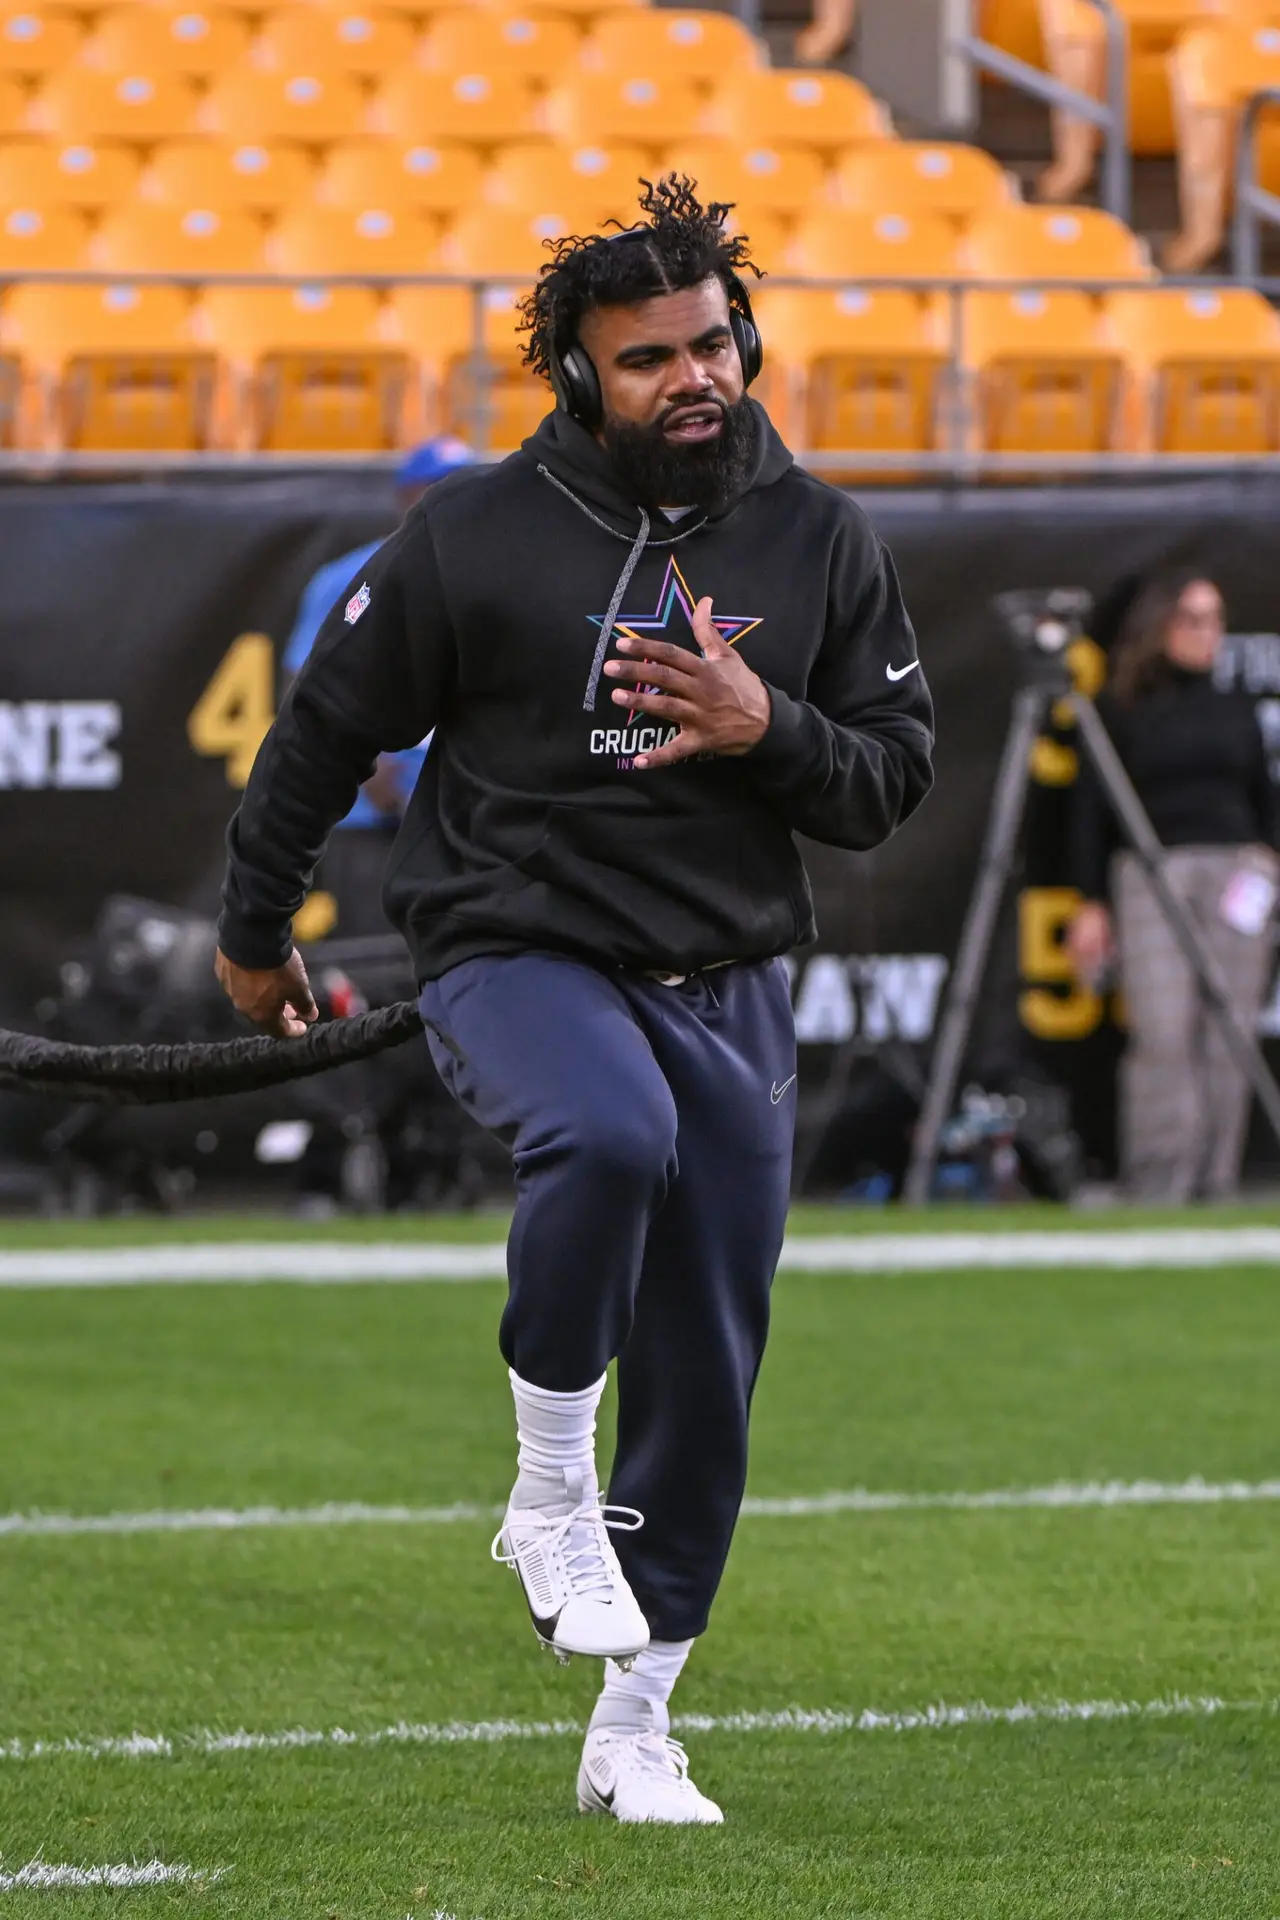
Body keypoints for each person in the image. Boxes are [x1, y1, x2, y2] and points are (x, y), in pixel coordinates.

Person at [213, 177, 935, 1824]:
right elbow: (323, 733)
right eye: (649, 359)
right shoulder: (473, 532)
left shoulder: (823, 538)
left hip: (731, 981)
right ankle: (548, 1486)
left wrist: (770, 728)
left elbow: (888, 782)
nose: (694, 378)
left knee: (709, 1372)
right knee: (606, 1137)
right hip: (519, 948)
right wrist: (255, 939)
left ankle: (637, 1727)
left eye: (712, 343)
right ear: (579, 378)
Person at [1068, 566, 1279, 1202]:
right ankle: (1159, 1183)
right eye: (1192, 618)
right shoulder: (1121, 706)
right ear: (1159, 626)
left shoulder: (1235, 704)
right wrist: (1091, 903)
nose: (1207, 633)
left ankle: (1214, 1184)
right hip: (1152, 869)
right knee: (1163, 1030)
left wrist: (1269, 864)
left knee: (1229, 1031)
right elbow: (1090, 811)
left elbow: (1262, 797)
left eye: (1215, 618)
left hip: (1238, 873)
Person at [282, 436, 475, 938]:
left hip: (471, 807)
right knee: (377, 964)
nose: (446, 499)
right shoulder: (352, 576)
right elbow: (306, 687)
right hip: (372, 812)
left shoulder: (497, 574)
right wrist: (360, 767)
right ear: (404, 498)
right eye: (433, 488)